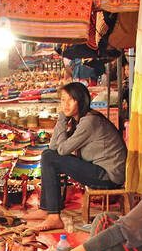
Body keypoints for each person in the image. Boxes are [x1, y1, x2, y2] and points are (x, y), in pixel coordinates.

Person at [25, 82, 127, 232]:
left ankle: (53, 215)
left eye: (70, 100)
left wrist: (61, 119)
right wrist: (63, 119)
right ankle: (47, 209)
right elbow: (53, 147)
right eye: (62, 100)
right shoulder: (80, 119)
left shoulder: (89, 121)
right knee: (48, 155)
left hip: (108, 177)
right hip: (99, 171)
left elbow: (62, 149)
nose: (65, 104)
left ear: (81, 100)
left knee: (50, 158)